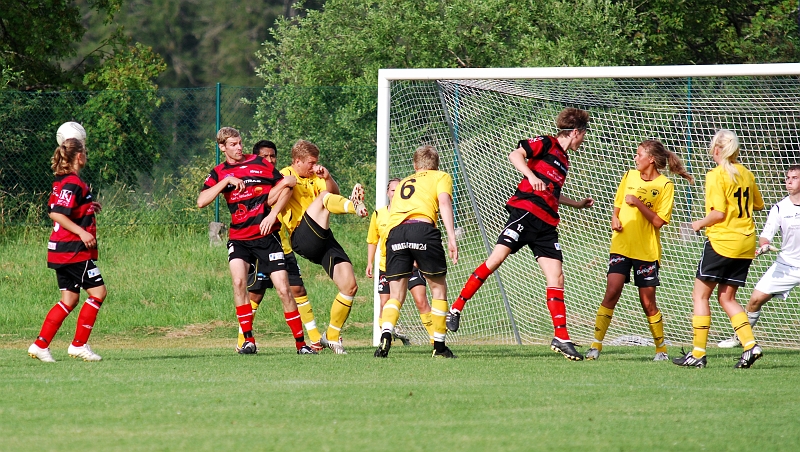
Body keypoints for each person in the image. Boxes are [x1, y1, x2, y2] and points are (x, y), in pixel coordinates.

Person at [445, 107, 594, 361]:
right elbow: (515, 155)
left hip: (546, 225)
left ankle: (561, 336)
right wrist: (530, 174)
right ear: (576, 133)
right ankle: (456, 308)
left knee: (557, 278)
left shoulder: (565, 161)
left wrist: (577, 204)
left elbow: (552, 193)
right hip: (526, 213)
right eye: (584, 135)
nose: (583, 140)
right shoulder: (547, 143)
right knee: (496, 260)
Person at [198, 127, 315, 355]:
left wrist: (273, 215)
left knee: (283, 289)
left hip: (267, 237)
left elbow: (288, 185)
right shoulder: (219, 172)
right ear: (222, 147)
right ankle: (248, 341)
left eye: (240, 142)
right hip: (239, 238)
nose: (239, 147)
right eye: (233, 144)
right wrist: (226, 181)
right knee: (239, 283)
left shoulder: (260, 164)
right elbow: (202, 201)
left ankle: (301, 345)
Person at [585, 140, 694, 361]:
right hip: (621, 245)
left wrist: (637, 202)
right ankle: (595, 346)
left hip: (646, 252)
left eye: (639, 154)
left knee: (648, 303)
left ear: (651, 159)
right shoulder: (629, 176)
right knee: (611, 292)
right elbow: (618, 203)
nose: (635, 158)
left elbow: (659, 221)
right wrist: (614, 218)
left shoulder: (665, 186)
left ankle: (661, 350)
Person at [673, 129, 765, 369]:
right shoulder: (746, 173)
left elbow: (718, 214)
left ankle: (698, 353)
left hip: (723, 242)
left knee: (700, 295)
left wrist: (697, 224)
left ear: (716, 149)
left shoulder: (715, 175)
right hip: (746, 243)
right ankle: (750, 345)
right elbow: (758, 204)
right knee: (727, 297)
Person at [279, 139, 368, 354]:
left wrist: (327, 177)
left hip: (321, 235)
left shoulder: (314, 176)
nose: (314, 166)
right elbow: (324, 198)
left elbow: (331, 194)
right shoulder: (286, 174)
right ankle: (353, 207)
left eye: (316, 162)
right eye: (310, 163)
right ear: (297, 161)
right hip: (300, 235)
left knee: (349, 286)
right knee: (322, 198)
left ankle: (332, 336)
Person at [236, 140, 324, 352]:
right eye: (265, 157)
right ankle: (243, 341)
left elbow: (288, 190)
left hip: (280, 244)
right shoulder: (252, 180)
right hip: (254, 243)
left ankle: (315, 339)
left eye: (273, 156)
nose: (270, 160)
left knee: (297, 289)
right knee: (255, 294)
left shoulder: (279, 179)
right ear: (256, 158)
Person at [374, 145, 458, 358]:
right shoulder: (441, 176)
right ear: (435, 165)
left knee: (396, 294)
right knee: (438, 288)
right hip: (422, 229)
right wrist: (451, 236)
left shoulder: (403, 182)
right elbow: (445, 203)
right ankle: (439, 347)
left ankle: (385, 333)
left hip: (395, 234)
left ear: (415, 165)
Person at [28, 137, 107, 363]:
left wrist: (87, 207)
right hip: (73, 251)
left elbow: (65, 207)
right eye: (86, 154)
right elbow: (56, 213)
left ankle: (40, 344)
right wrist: (82, 233)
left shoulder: (62, 181)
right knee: (98, 293)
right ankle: (78, 345)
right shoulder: (73, 182)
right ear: (79, 157)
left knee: (69, 299)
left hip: (60, 251)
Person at [717, 165, 800, 348]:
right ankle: (740, 338)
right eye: (787, 177)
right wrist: (764, 245)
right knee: (754, 300)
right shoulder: (779, 208)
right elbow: (766, 235)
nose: (789, 181)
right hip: (786, 266)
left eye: (794, 178)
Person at [367, 178, 434, 346]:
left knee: (421, 300)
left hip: (410, 265)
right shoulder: (379, 214)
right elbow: (373, 240)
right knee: (385, 303)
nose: (395, 194)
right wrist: (370, 263)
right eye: (392, 190)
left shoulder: (410, 214)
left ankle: (436, 341)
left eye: (399, 190)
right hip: (386, 266)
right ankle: (386, 338)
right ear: (387, 193)